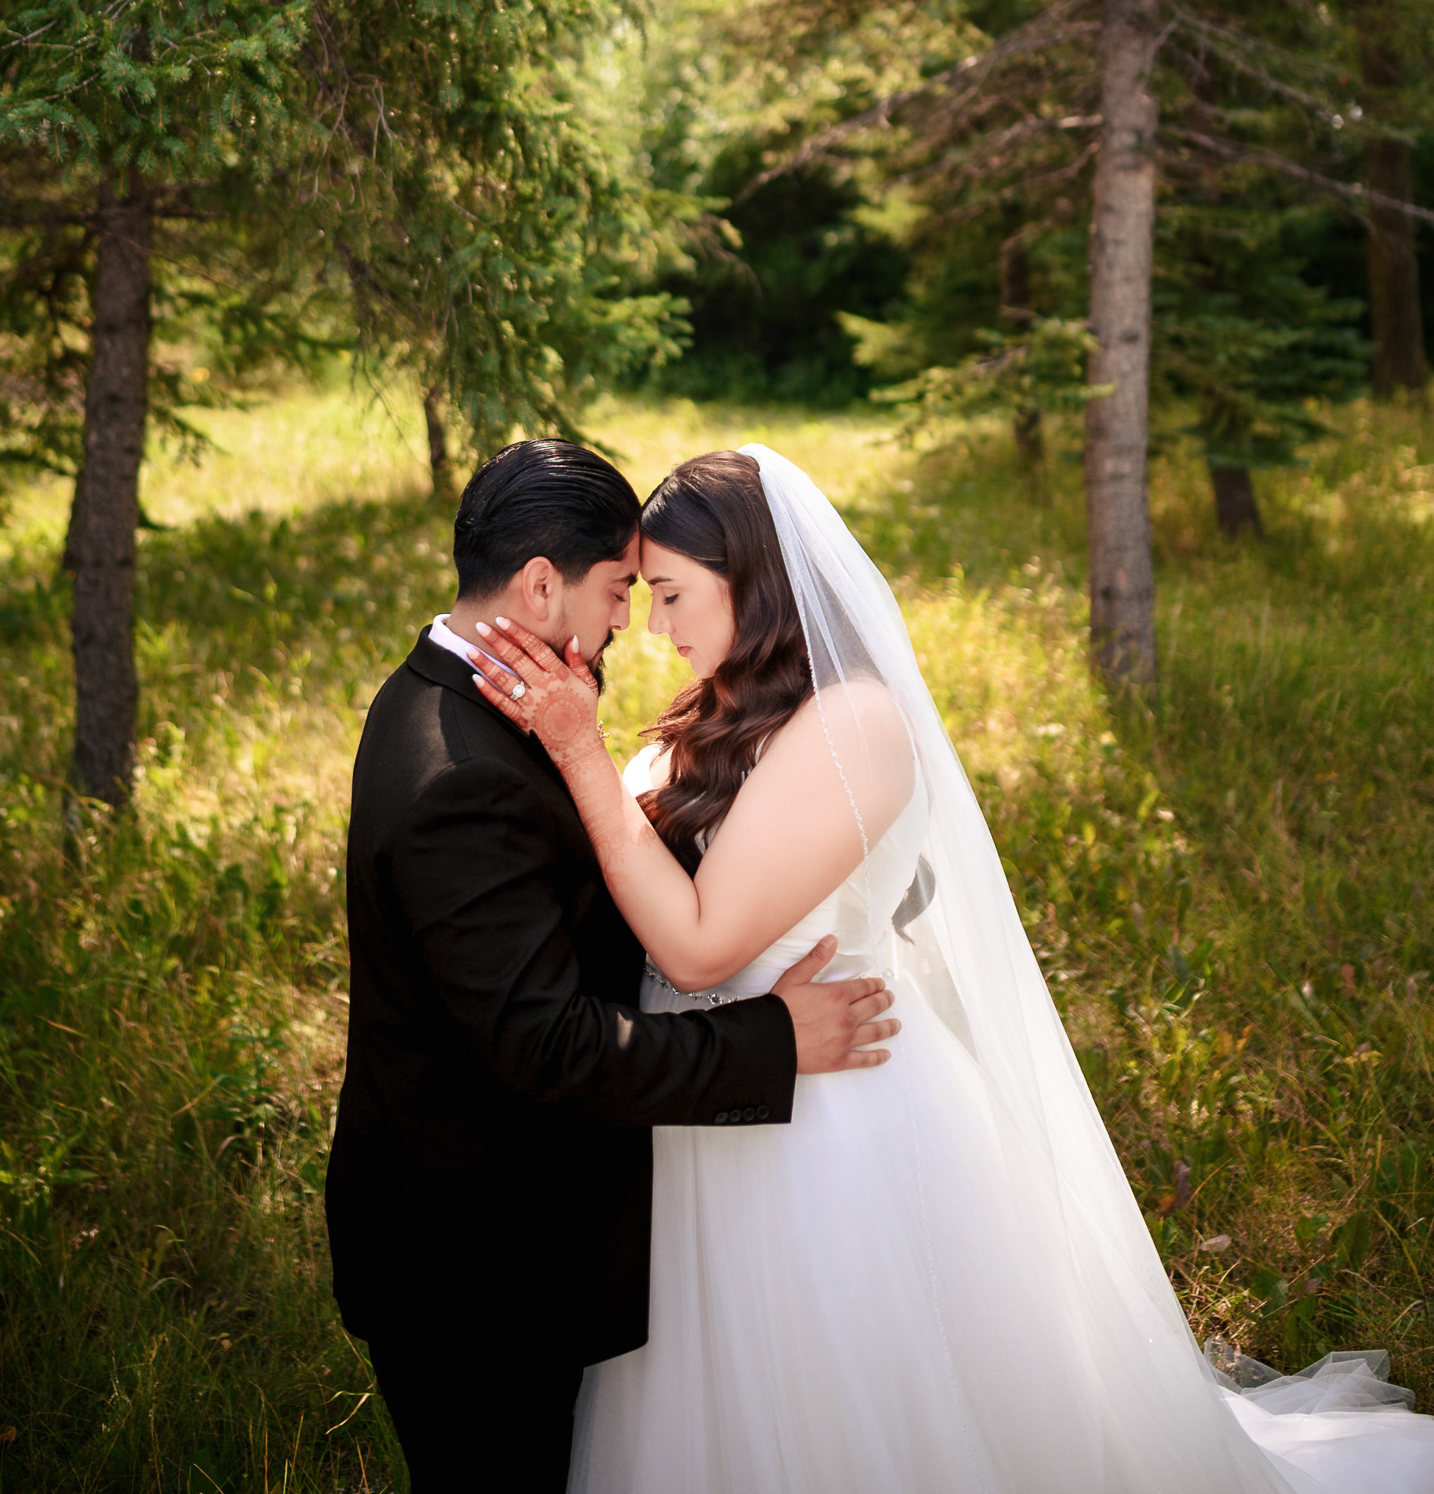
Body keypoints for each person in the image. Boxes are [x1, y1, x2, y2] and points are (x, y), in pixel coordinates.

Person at [470, 445, 1434, 1494]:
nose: (656, 628)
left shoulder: (853, 726)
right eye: (646, 598)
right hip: (715, 1097)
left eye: (672, 595)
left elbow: (701, 942)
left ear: (756, 577)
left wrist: (579, 753)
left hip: (827, 1131)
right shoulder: (720, 704)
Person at [324, 439, 898, 1494]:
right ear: (541, 585)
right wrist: (771, 1038)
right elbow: (543, 1043)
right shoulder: (459, 769)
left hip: (539, 1221)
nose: (633, 620)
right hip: (475, 1262)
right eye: (622, 589)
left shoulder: (469, 697)